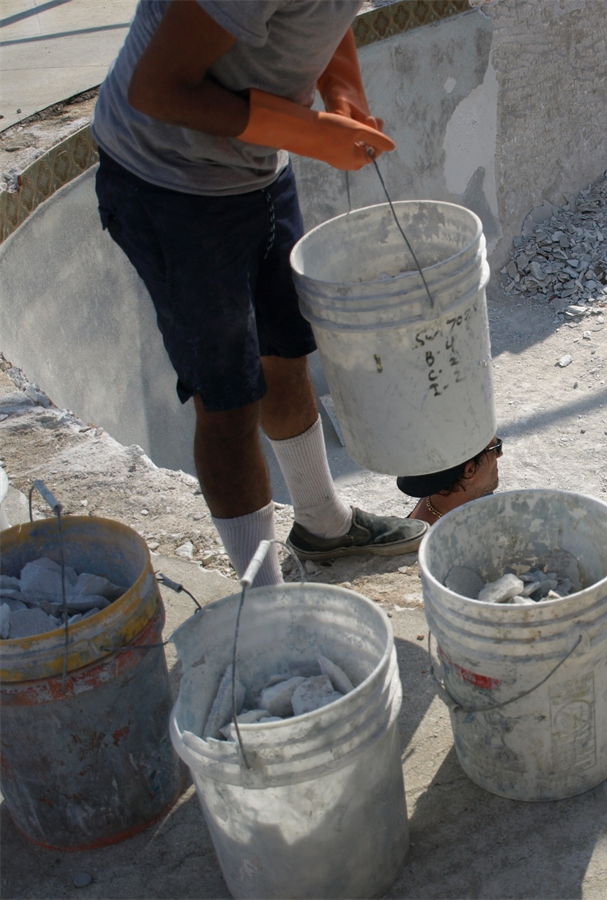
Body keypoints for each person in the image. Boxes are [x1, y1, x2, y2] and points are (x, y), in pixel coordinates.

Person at [91, 0, 426, 585]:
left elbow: (325, 16)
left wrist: (345, 96)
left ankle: (323, 524)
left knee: (284, 349)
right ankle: (265, 600)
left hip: (256, 168)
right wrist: (309, 133)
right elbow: (158, 88)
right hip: (169, 182)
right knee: (228, 401)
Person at [399, 438, 503, 525]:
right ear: (470, 470)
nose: (500, 454)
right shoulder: (436, 545)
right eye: (496, 448)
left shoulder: (438, 484)